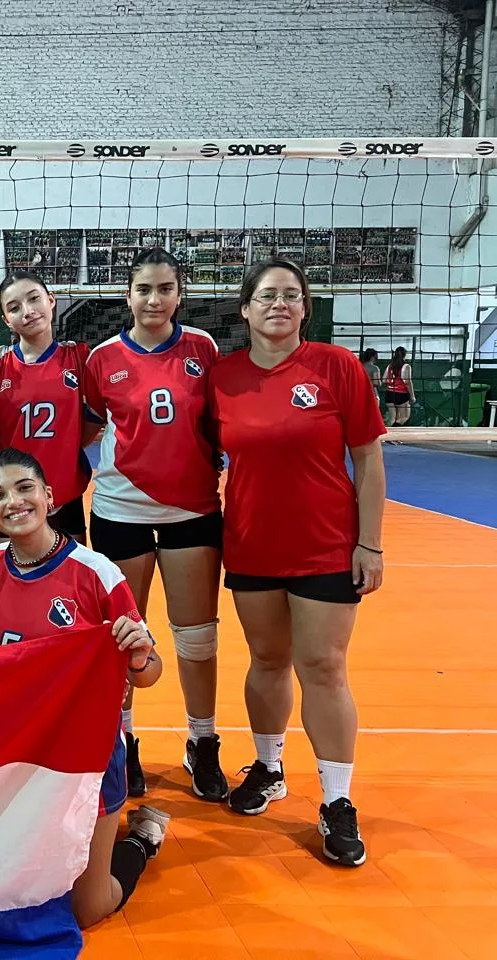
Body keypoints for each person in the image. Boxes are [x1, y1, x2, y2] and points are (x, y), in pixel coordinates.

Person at [211, 258, 386, 867]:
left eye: (291, 295)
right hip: (252, 543)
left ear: (306, 308)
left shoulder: (336, 366)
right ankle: (269, 767)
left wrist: (370, 543)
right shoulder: (223, 376)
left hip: (326, 545)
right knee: (266, 660)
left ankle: (337, 799)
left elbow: (368, 458)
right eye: (267, 295)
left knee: (324, 666)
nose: (279, 304)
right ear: (245, 309)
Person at [0, 447, 169, 928]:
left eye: (24, 488)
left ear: (49, 495)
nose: (13, 502)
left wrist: (139, 655)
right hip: (15, 750)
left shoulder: (95, 571)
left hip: (86, 753)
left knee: (86, 908)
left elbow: (148, 672)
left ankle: (142, 839)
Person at [82, 248, 226, 801]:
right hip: (121, 509)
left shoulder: (202, 348)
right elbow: (90, 428)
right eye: (144, 289)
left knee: (197, 636)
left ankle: (202, 741)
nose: (154, 299)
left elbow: (216, 422)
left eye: (165, 288)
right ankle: (124, 742)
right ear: (128, 296)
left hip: (191, 509)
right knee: (122, 637)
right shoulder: (103, 358)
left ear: (180, 295)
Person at [0, 270, 92, 547]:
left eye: (34, 299)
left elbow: (92, 423)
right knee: (3, 572)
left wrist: (68, 444)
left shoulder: (80, 357)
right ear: (6, 320)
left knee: (68, 573)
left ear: (51, 300)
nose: (28, 311)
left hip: (64, 494)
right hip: (9, 494)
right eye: (14, 308)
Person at [383, 346, 414, 427]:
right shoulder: (406, 366)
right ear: (404, 355)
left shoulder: (390, 366)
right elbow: (408, 382)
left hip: (389, 394)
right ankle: (395, 428)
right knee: (404, 417)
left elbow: (384, 380)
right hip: (401, 394)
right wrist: (412, 396)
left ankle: (390, 433)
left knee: (392, 418)